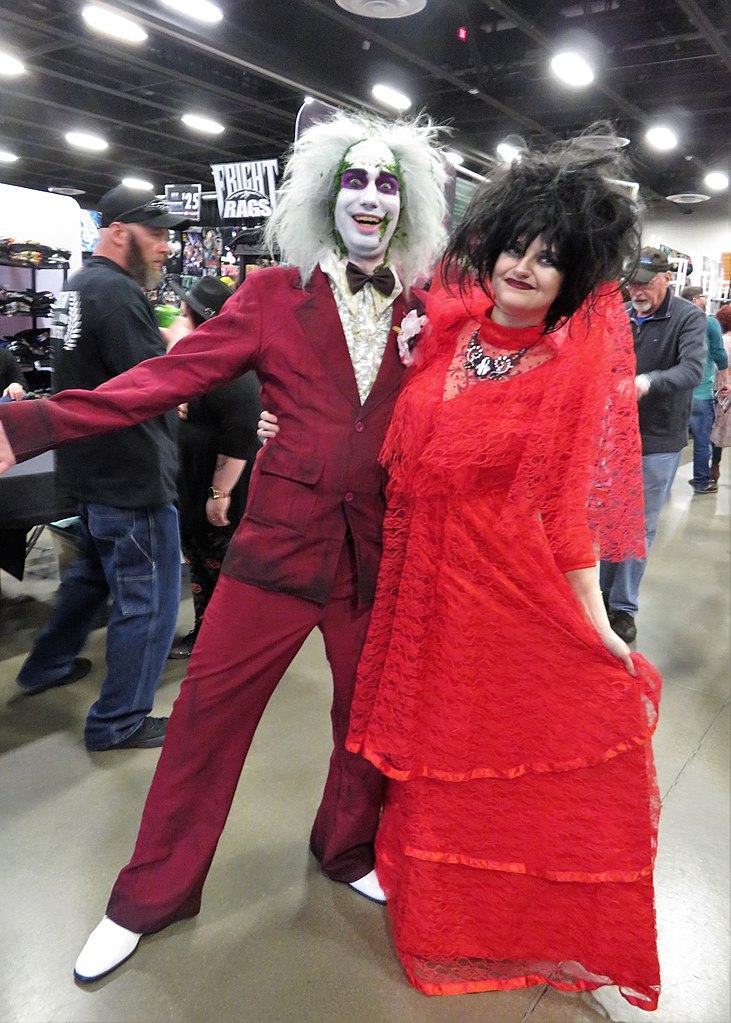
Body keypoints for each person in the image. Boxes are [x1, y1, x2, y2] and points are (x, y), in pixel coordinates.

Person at [0, 112, 448, 980]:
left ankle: (348, 848)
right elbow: (161, 379)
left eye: (387, 182)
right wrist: (34, 424)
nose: (368, 196)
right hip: (275, 551)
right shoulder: (272, 296)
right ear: (325, 195)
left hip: (370, 561)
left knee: (365, 726)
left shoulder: (427, 316)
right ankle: (147, 895)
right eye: (353, 180)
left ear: (408, 207)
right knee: (204, 724)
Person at [343, 130, 664, 1010]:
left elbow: (568, 518)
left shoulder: (566, 372)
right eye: (517, 247)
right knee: (426, 752)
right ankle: (415, 884)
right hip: (420, 588)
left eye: (548, 260)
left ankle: (474, 919)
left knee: (476, 751)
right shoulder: (443, 334)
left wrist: (595, 623)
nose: (525, 266)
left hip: (498, 592)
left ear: (573, 279)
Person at [14, 185, 188, 751]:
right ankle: (120, 721)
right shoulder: (115, 293)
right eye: (155, 233)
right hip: (129, 476)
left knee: (89, 580)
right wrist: (182, 347)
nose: (166, 246)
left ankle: (45, 666)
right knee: (149, 600)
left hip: (90, 471)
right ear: (119, 231)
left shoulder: (79, 286)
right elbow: (156, 384)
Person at [599, 248, 706, 643]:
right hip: (612, 437)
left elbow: (693, 369)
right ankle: (600, 597)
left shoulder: (688, 318)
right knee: (609, 521)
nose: (637, 291)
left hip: (657, 440)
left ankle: (623, 607)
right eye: (632, 284)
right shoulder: (623, 316)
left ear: (666, 279)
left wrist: (646, 382)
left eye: (645, 282)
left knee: (637, 525)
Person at [164, 276, 261, 659]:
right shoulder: (205, 361)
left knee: (219, 567)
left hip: (216, 489)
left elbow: (240, 437)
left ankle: (223, 642)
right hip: (194, 483)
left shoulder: (230, 370)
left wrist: (219, 495)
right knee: (202, 564)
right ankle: (209, 633)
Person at [680, 286, 730, 493]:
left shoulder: (674, 318)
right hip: (700, 392)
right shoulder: (709, 323)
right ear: (694, 298)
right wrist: (726, 380)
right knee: (702, 439)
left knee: (670, 439)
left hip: (677, 392)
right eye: (702, 296)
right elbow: (719, 354)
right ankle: (702, 480)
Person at [710, 304, 731, 477]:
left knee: (715, 431)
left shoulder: (720, 341)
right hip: (726, 389)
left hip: (718, 389)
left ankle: (713, 468)